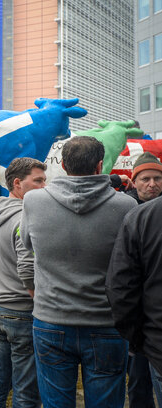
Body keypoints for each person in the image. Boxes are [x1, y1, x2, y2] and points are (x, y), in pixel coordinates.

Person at [20, 136, 136, 408]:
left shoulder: (34, 201)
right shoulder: (126, 207)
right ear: (99, 166)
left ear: (62, 164)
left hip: (51, 320)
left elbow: (26, 244)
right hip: (106, 322)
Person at [0, 158, 47, 408]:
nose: (44, 186)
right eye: (37, 181)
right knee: (26, 391)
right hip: (20, 311)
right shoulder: (24, 217)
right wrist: (36, 299)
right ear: (17, 183)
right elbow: (28, 267)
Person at [106, 152, 162, 408]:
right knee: (138, 383)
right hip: (140, 323)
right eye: (146, 179)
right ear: (134, 181)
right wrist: (133, 332)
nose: (152, 184)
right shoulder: (122, 210)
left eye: (158, 178)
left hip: (152, 324)